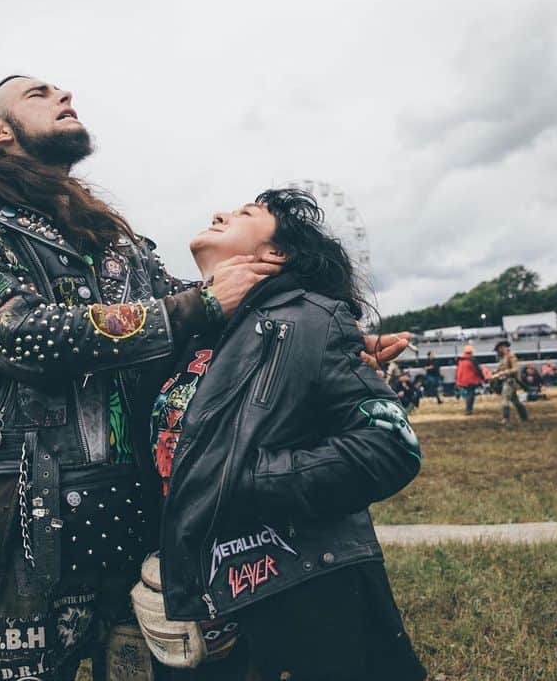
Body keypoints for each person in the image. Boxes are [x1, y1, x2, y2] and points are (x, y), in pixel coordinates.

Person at [0, 75, 409, 680]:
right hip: (28, 523)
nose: (65, 94)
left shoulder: (118, 241)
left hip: (140, 519)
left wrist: (329, 346)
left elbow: (212, 324)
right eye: (40, 95)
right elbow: (18, 333)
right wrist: (196, 306)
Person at [147, 188, 425, 680]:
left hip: (290, 589)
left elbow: (390, 445)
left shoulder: (311, 318)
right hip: (196, 598)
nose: (218, 213)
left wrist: (246, 480)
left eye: (244, 214)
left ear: (274, 254)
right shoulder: (187, 328)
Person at [492, 340, 528, 424]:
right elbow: (502, 368)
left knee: (505, 399)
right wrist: (496, 372)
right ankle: (524, 417)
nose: (497, 352)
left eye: (498, 349)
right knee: (515, 401)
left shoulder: (511, 356)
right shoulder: (503, 357)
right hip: (506, 381)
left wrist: (502, 373)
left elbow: (515, 369)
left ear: (502, 347)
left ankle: (506, 418)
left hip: (511, 381)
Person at [455, 345, 485, 415]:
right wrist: (483, 378)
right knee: (470, 394)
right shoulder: (472, 360)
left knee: (469, 394)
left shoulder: (461, 360)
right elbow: (478, 370)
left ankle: (469, 409)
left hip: (463, 380)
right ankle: (468, 410)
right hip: (471, 380)